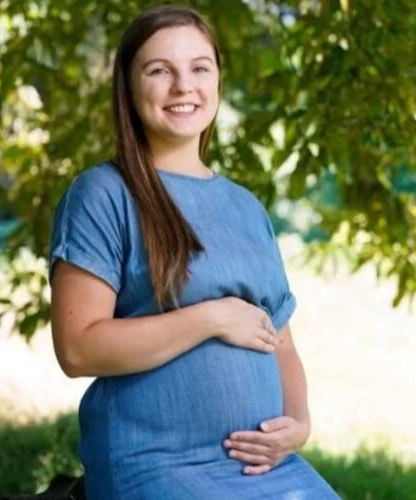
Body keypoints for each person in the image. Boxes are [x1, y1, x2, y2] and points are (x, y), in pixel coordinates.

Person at [48, 5, 338, 499]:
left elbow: (281, 342)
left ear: (218, 80)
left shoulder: (246, 207)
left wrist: (300, 422)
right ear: (128, 86)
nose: (184, 86)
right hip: (156, 465)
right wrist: (211, 318)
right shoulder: (103, 193)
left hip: (267, 470)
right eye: (160, 70)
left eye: (199, 68)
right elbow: (78, 348)